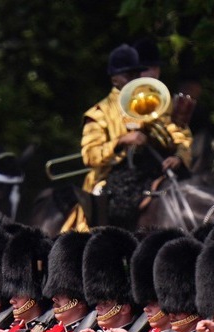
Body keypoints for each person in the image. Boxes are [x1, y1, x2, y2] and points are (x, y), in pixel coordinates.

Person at [62, 43, 192, 232]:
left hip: (153, 167)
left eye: (136, 73)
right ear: (115, 79)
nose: (135, 78)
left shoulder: (151, 100)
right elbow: (89, 156)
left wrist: (179, 156)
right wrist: (122, 141)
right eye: (128, 74)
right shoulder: (98, 113)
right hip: (113, 174)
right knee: (115, 203)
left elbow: (179, 134)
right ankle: (103, 244)